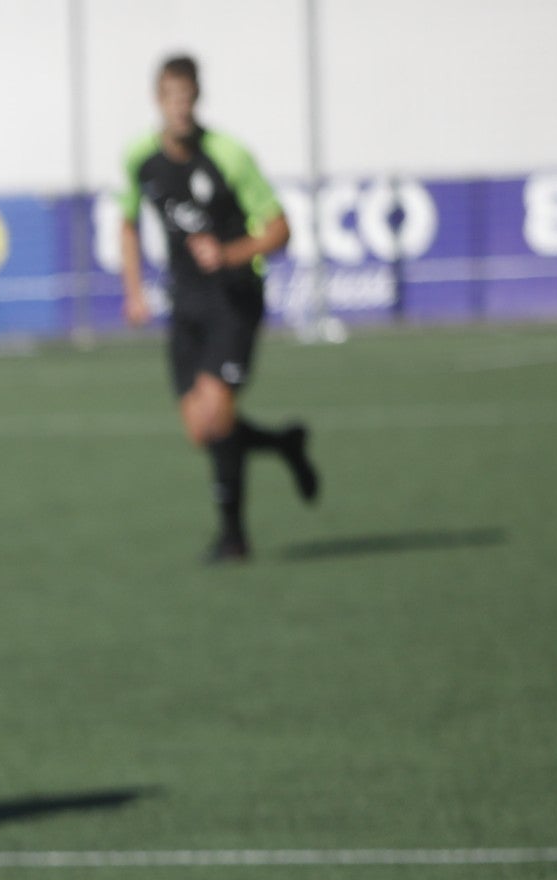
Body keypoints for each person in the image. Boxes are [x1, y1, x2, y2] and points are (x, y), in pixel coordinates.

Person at [120, 54, 318, 563]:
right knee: (200, 430)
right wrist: (133, 289)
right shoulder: (139, 158)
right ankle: (283, 445)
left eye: (187, 98)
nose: (180, 109)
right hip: (184, 303)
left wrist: (229, 253)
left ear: (197, 100)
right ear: (158, 101)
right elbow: (126, 221)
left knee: (215, 408)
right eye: (171, 98)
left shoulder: (229, 156)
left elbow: (279, 227)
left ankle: (234, 537)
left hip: (234, 298)